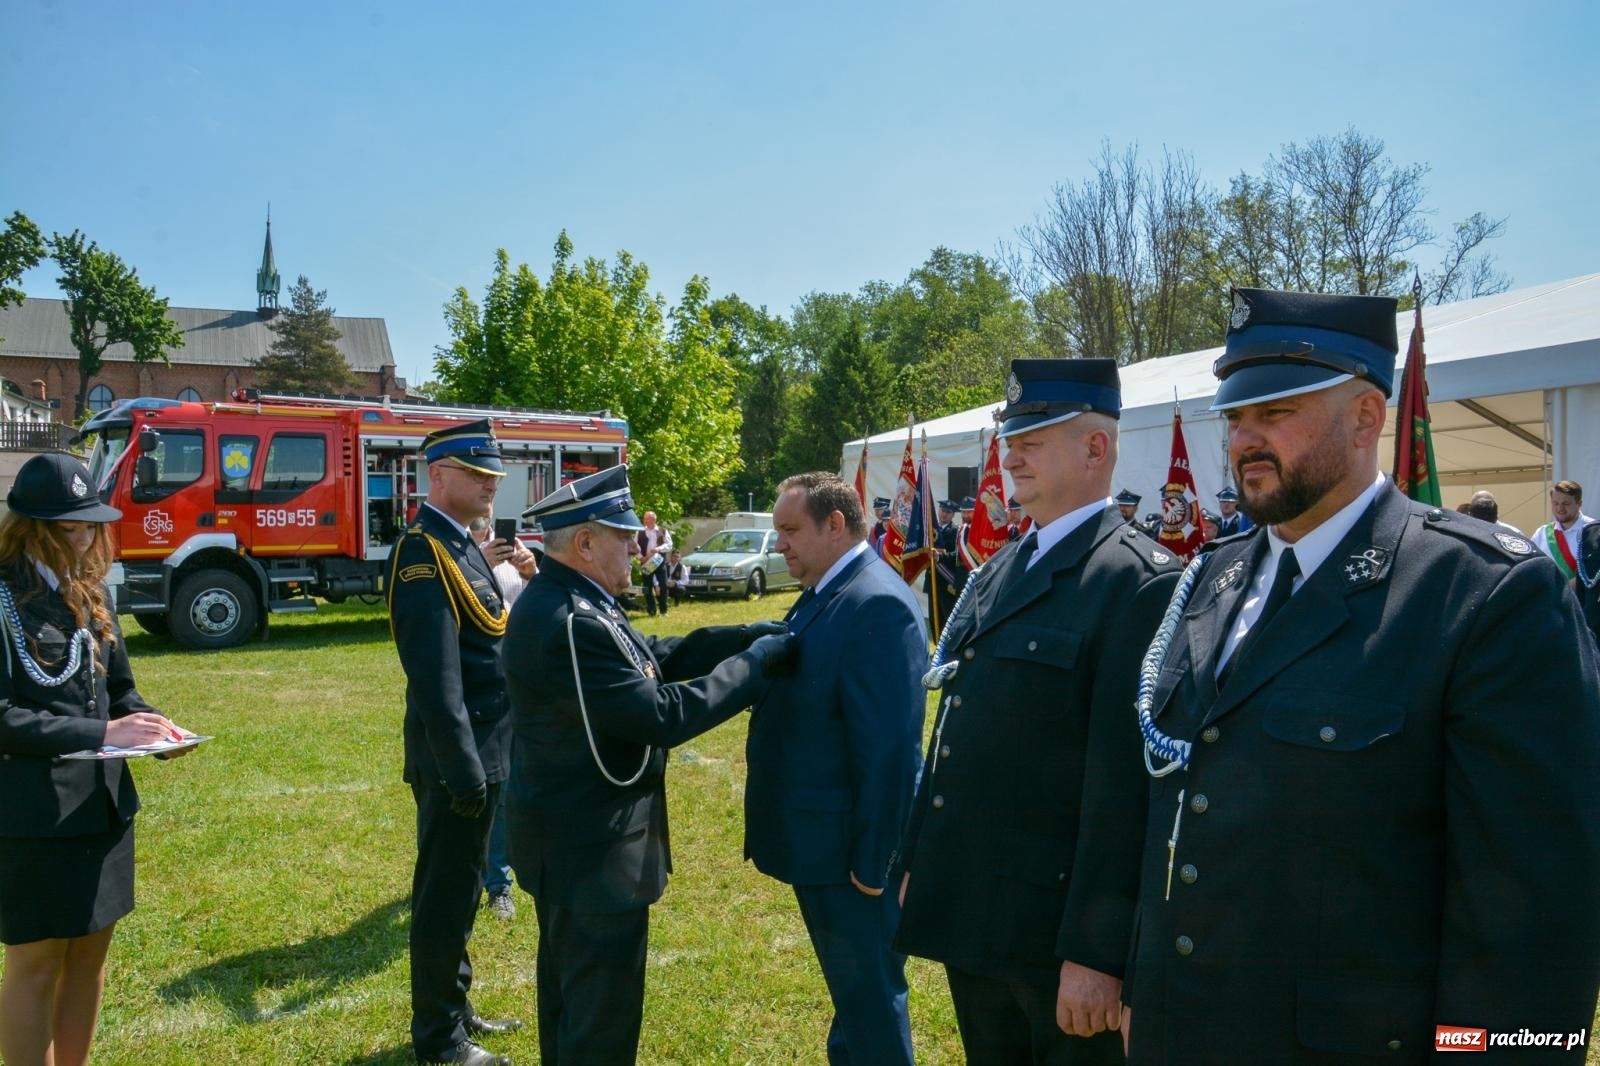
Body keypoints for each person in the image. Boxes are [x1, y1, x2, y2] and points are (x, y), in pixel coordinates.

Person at [1120, 288, 1600, 1064]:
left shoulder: (1481, 595)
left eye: (1276, 412)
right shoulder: (1211, 576)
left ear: (1367, 417)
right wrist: (1146, 987)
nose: (1245, 438)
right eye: (1235, 416)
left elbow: (1532, 918)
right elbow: (1175, 812)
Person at [895, 360, 1181, 1066]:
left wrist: (1098, 952)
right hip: (975, 908)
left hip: (1054, 935)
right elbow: (954, 726)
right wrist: (919, 859)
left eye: (1033, 440)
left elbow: (1125, 789)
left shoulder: (1136, 581)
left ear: (1095, 449)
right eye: (1010, 440)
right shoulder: (1001, 566)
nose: (1011, 456)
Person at [502, 465, 795, 1066]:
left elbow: (650, 657)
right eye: (624, 536)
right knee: (598, 1026)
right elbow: (660, 714)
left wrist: (740, 637)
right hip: (592, 851)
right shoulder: (572, 619)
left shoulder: (574, 599)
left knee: (572, 1007)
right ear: (586, 543)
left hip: (571, 842)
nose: (638, 549)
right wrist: (756, 666)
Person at [0, 453, 196, 1066]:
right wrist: (103, 731)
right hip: (33, 813)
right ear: (30, 527)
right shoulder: (3, 596)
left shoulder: (91, 591)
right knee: (36, 963)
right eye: (69, 527)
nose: (85, 538)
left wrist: (157, 728)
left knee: (90, 956)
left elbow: (119, 691)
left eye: (91, 525)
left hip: (103, 806)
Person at [745, 471, 927, 1066]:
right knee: (854, 1005)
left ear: (836, 524)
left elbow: (891, 750)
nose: (780, 544)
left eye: (791, 530)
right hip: (825, 848)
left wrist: (873, 866)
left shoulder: (875, 602)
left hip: (852, 858)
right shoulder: (830, 589)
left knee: (871, 1005)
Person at [386, 419, 522, 1066]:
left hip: (486, 747)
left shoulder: (462, 545)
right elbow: (437, 677)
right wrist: (463, 768)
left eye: (494, 474)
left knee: (464, 892)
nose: (491, 484)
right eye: (477, 473)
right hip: (456, 758)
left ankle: (456, 1009)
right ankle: (439, 1040)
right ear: (437, 476)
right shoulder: (424, 552)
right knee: (443, 899)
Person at [467, 515, 539, 923]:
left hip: (509, 685)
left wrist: (532, 576)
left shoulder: (516, 552)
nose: (486, 494)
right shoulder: (449, 552)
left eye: (492, 489)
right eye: (479, 486)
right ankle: (457, 876)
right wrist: (477, 562)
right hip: (467, 690)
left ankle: (497, 883)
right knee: (460, 788)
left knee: (505, 789)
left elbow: (535, 612)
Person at [1529, 480, 1593, 581]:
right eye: (1555, 503)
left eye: (1565, 503)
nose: (1560, 508)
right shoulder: (1542, 533)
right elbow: (1530, 566)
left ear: (1579, 504)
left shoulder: (1594, 531)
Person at [927, 499, 963, 639]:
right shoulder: (931, 529)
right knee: (933, 618)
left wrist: (940, 556)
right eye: (942, 510)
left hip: (946, 581)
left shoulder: (956, 531)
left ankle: (946, 647)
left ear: (953, 515)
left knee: (946, 618)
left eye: (948, 512)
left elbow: (957, 555)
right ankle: (937, 645)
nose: (944, 514)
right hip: (932, 579)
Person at [635, 511, 673, 616]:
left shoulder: (663, 531)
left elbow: (669, 545)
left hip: (659, 561)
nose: (645, 521)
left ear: (654, 520)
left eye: (647, 518)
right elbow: (634, 546)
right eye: (644, 518)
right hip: (646, 562)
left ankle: (664, 610)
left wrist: (658, 549)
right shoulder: (640, 531)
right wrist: (640, 557)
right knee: (647, 587)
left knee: (663, 585)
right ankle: (651, 610)